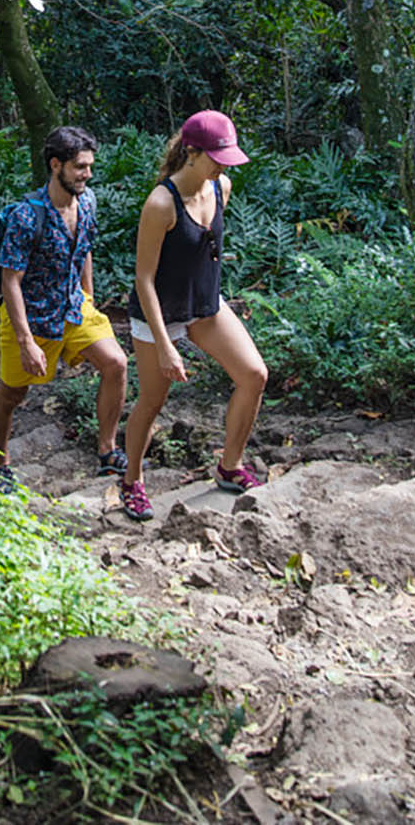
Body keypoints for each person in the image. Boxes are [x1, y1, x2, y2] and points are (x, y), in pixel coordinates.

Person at [119, 110, 270, 521]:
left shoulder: (222, 186)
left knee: (254, 375)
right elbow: (144, 280)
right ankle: (131, 481)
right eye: (217, 156)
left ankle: (231, 466)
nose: (223, 164)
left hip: (204, 304)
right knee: (152, 401)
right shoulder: (160, 203)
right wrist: (166, 346)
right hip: (158, 313)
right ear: (191, 152)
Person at [0, 125, 130, 490]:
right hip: (30, 318)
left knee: (117, 363)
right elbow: (10, 282)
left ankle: (107, 451)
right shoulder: (25, 216)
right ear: (55, 165)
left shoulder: (88, 201)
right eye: (80, 166)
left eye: (89, 166)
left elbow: (85, 249)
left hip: (74, 308)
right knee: (12, 394)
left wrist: (89, 298)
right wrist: (25, 341)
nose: (87, 174)